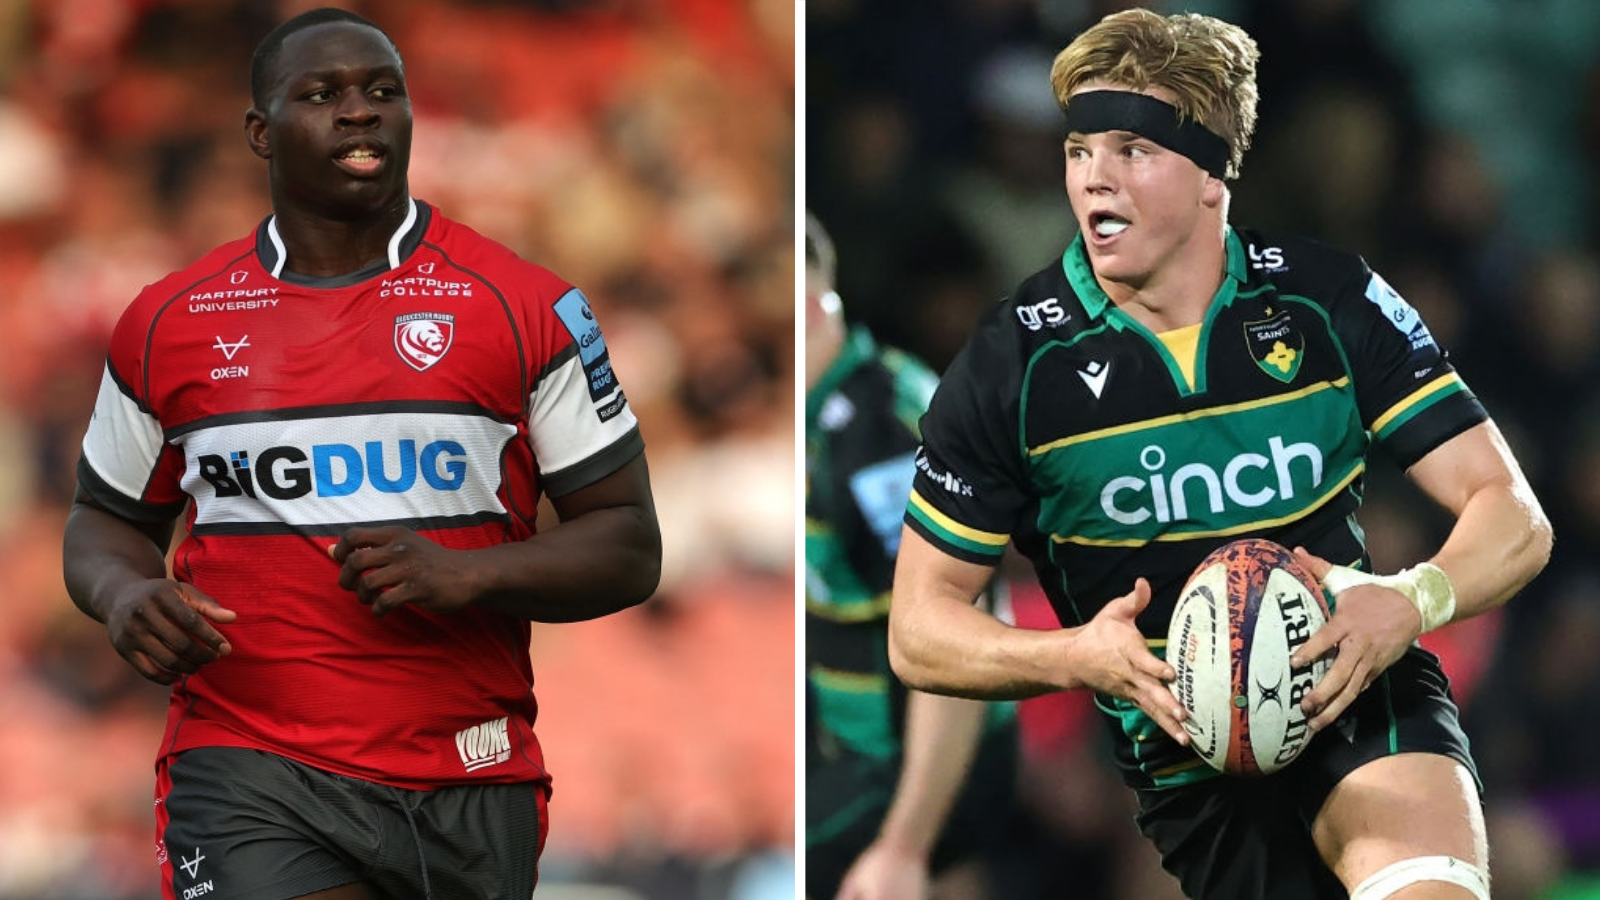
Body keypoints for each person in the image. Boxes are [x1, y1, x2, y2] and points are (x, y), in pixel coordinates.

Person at [887, 9, 1552, 900]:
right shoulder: (1013, 364)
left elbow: (1511, 513)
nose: (1096, 181)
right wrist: (1075, 655)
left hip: (1358, 695)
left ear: (1211, 175)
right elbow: (918, 628)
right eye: (1081, 150)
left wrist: (1411, 599)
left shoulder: (1327, 299)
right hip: (1189, 769)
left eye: (1133, 150)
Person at [60, 8, 661, 900]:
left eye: (383, 91)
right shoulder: (168, 323)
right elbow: (104, 520)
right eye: (323, 94)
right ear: (261, 132)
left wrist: (473, 575)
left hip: (467, 774)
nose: (359, 111)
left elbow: (629, 544)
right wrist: (124, 594)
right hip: (249, 763)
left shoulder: (525, 308)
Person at [804, 212, 1018, 900]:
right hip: (863, 747)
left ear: (808, 306)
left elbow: (951, 622)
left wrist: (905, 844)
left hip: (905, 763)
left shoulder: (875, 441)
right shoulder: (821, 412)